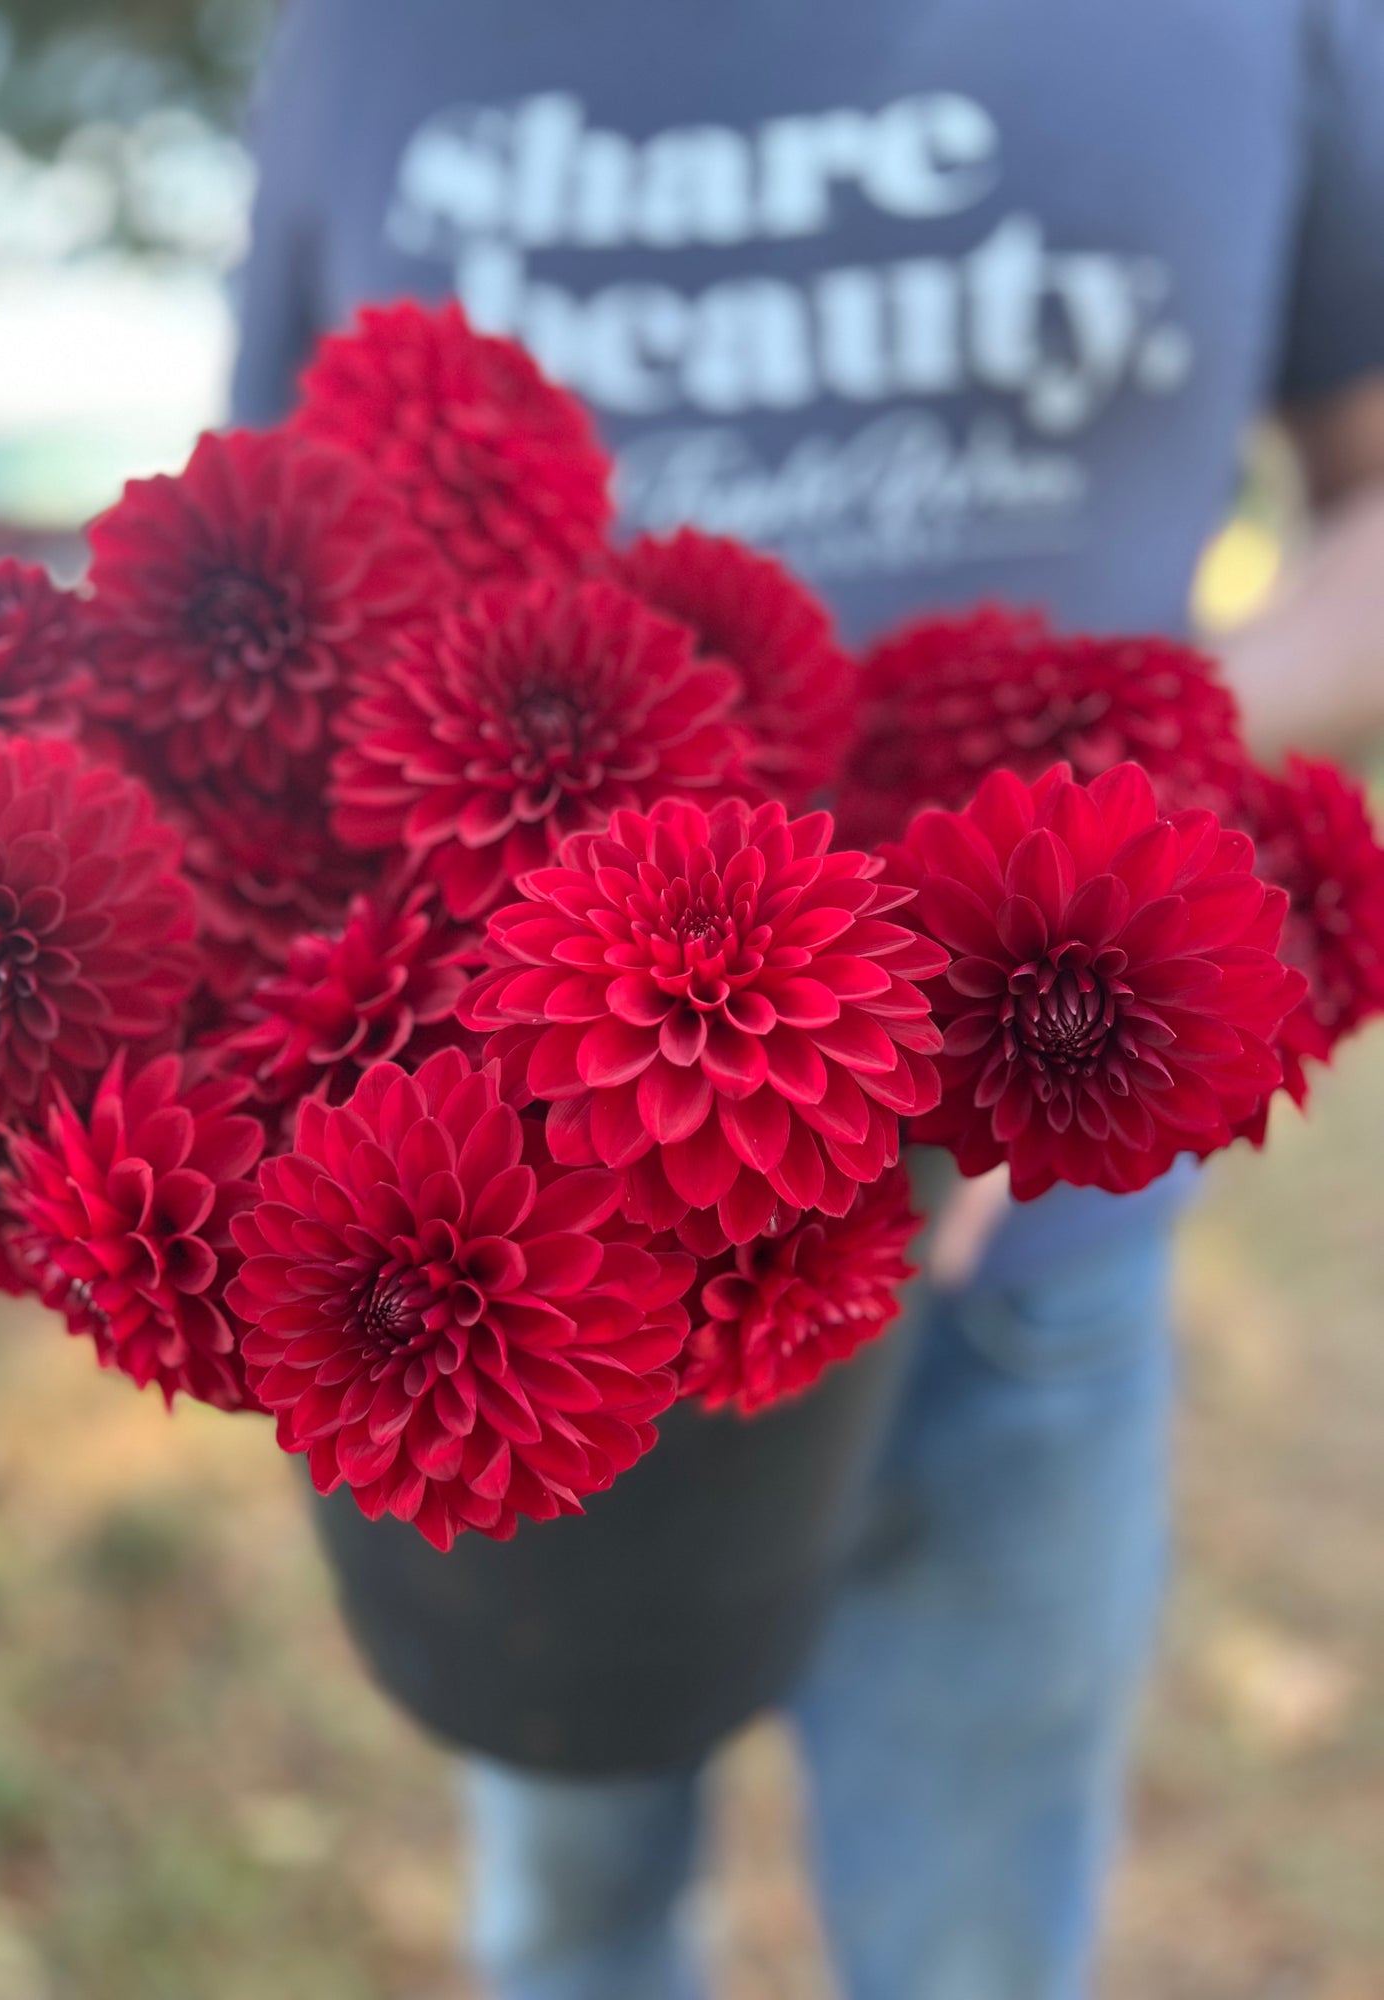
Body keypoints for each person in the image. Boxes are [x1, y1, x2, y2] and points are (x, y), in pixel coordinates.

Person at [231, 5, 1384, 1994]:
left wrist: (1109, 778)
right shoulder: (371, 35)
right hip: (515, 1236)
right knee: (571, 1903)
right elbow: (273, 563)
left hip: (1034, 1226)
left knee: (971, 1938)